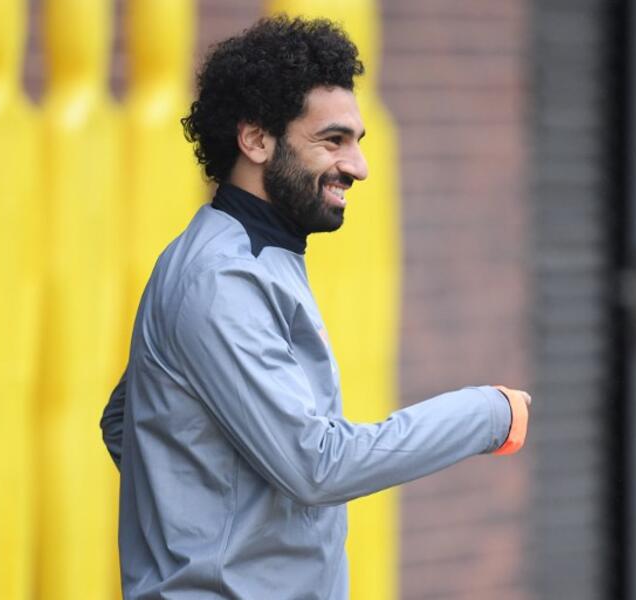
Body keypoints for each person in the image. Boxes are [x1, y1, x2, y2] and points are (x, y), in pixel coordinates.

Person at [100, 15, 530, 600]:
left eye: (357, 141)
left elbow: (128, 422)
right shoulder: (224, 278)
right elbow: (319, 465)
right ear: (255, 140)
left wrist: (219, 518)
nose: (357, 167)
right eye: (333, 141)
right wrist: (487, 414)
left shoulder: (249, 256)